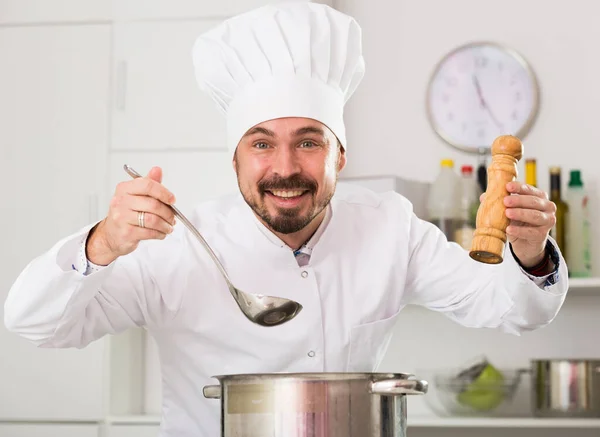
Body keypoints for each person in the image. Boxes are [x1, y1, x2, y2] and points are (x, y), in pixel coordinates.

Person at [4, 2, 567, 436]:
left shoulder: (390, 228)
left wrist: (531, 251)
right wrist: (101, 243)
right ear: (235, 158)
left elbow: (512, 307)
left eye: (308, 142)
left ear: (340, 154)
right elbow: (35, 324)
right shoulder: (173, 246)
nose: (285, 168)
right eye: (261, 144)